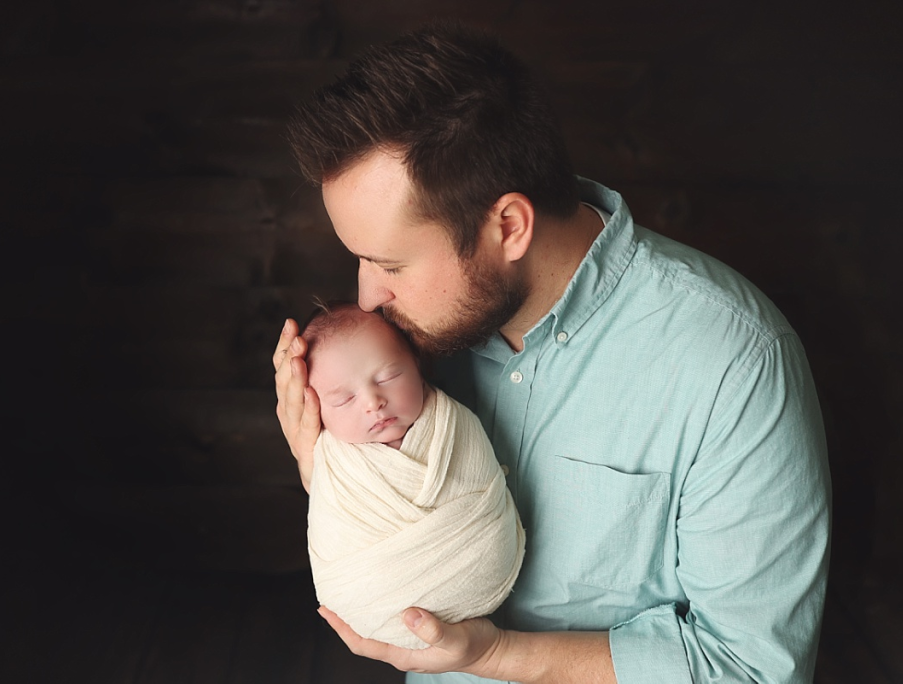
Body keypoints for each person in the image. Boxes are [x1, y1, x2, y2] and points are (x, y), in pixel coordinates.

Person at [272, 22, 831, 684]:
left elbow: (753, 669)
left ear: (508, 226)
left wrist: (498, 656)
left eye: (389, 262)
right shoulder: (405, 349)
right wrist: (332, 468)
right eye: (361, 259)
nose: (367, 298)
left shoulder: (734, 362)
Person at [301, 302, 525, 650]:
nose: (373, 402)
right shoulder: (335, 462)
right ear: (316, 408)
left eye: (389, 377)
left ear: (417, 365)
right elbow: (334, 530)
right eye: (344, 399)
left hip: (486, 576)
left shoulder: (452, 424)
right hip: (377, 607)